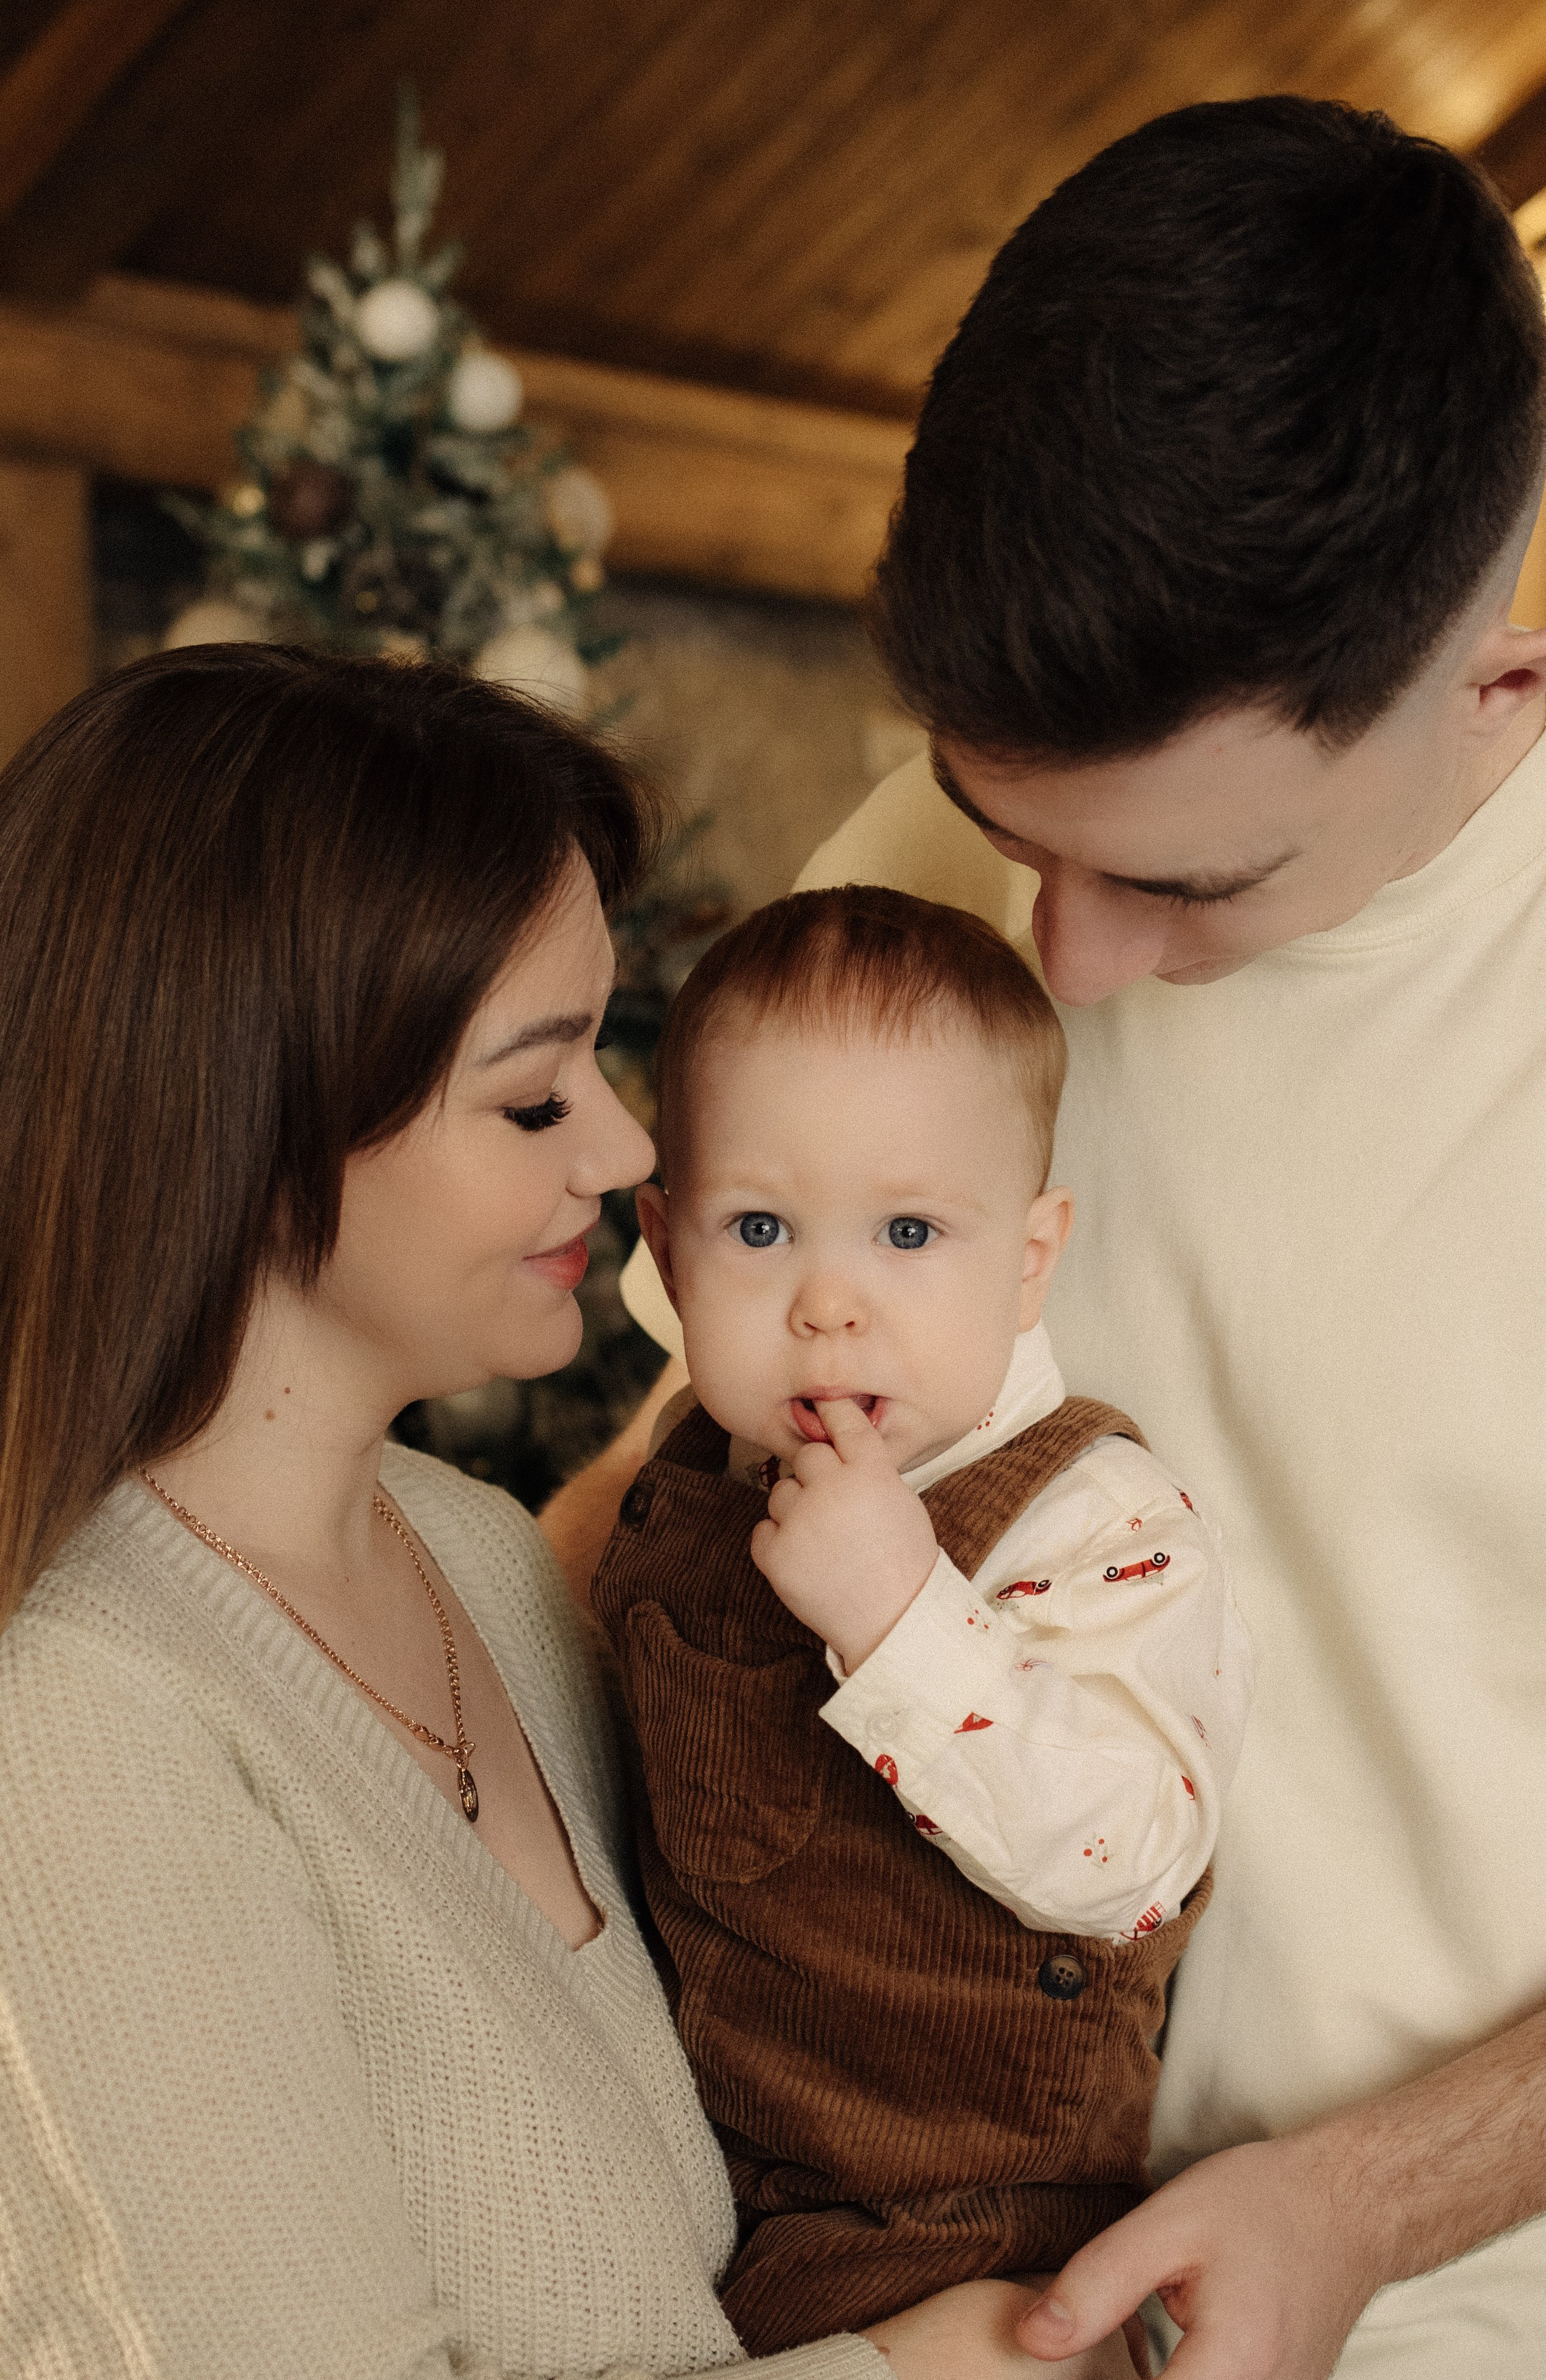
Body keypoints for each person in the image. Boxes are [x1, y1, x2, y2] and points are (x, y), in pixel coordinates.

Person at [602, 97, 1546, 2380]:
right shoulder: (932, 893)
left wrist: (1363, 2199)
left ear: (1496, 677)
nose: (1069, 956)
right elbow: (667, 1474)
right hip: (885, 2275)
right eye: (997, 823)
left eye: (1189, 880)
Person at [0, 645, 1123, 2380]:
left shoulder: (479, 1553)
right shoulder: (75, 1730)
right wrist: (915, 2372)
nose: (618, 1152)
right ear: (254, 1123)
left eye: (608, 1059)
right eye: (534, 1094)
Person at [592, 886, 1252, 2358]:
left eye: (908, 1231)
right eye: (759, 1228)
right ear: (668, 1247)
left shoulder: (1094, 1521)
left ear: (1027, 1259)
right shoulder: (692, 1480)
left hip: (978, 2215)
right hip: (723, 2179)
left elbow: (1132, 1856)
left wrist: (903, 1617)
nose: (830, 1303)